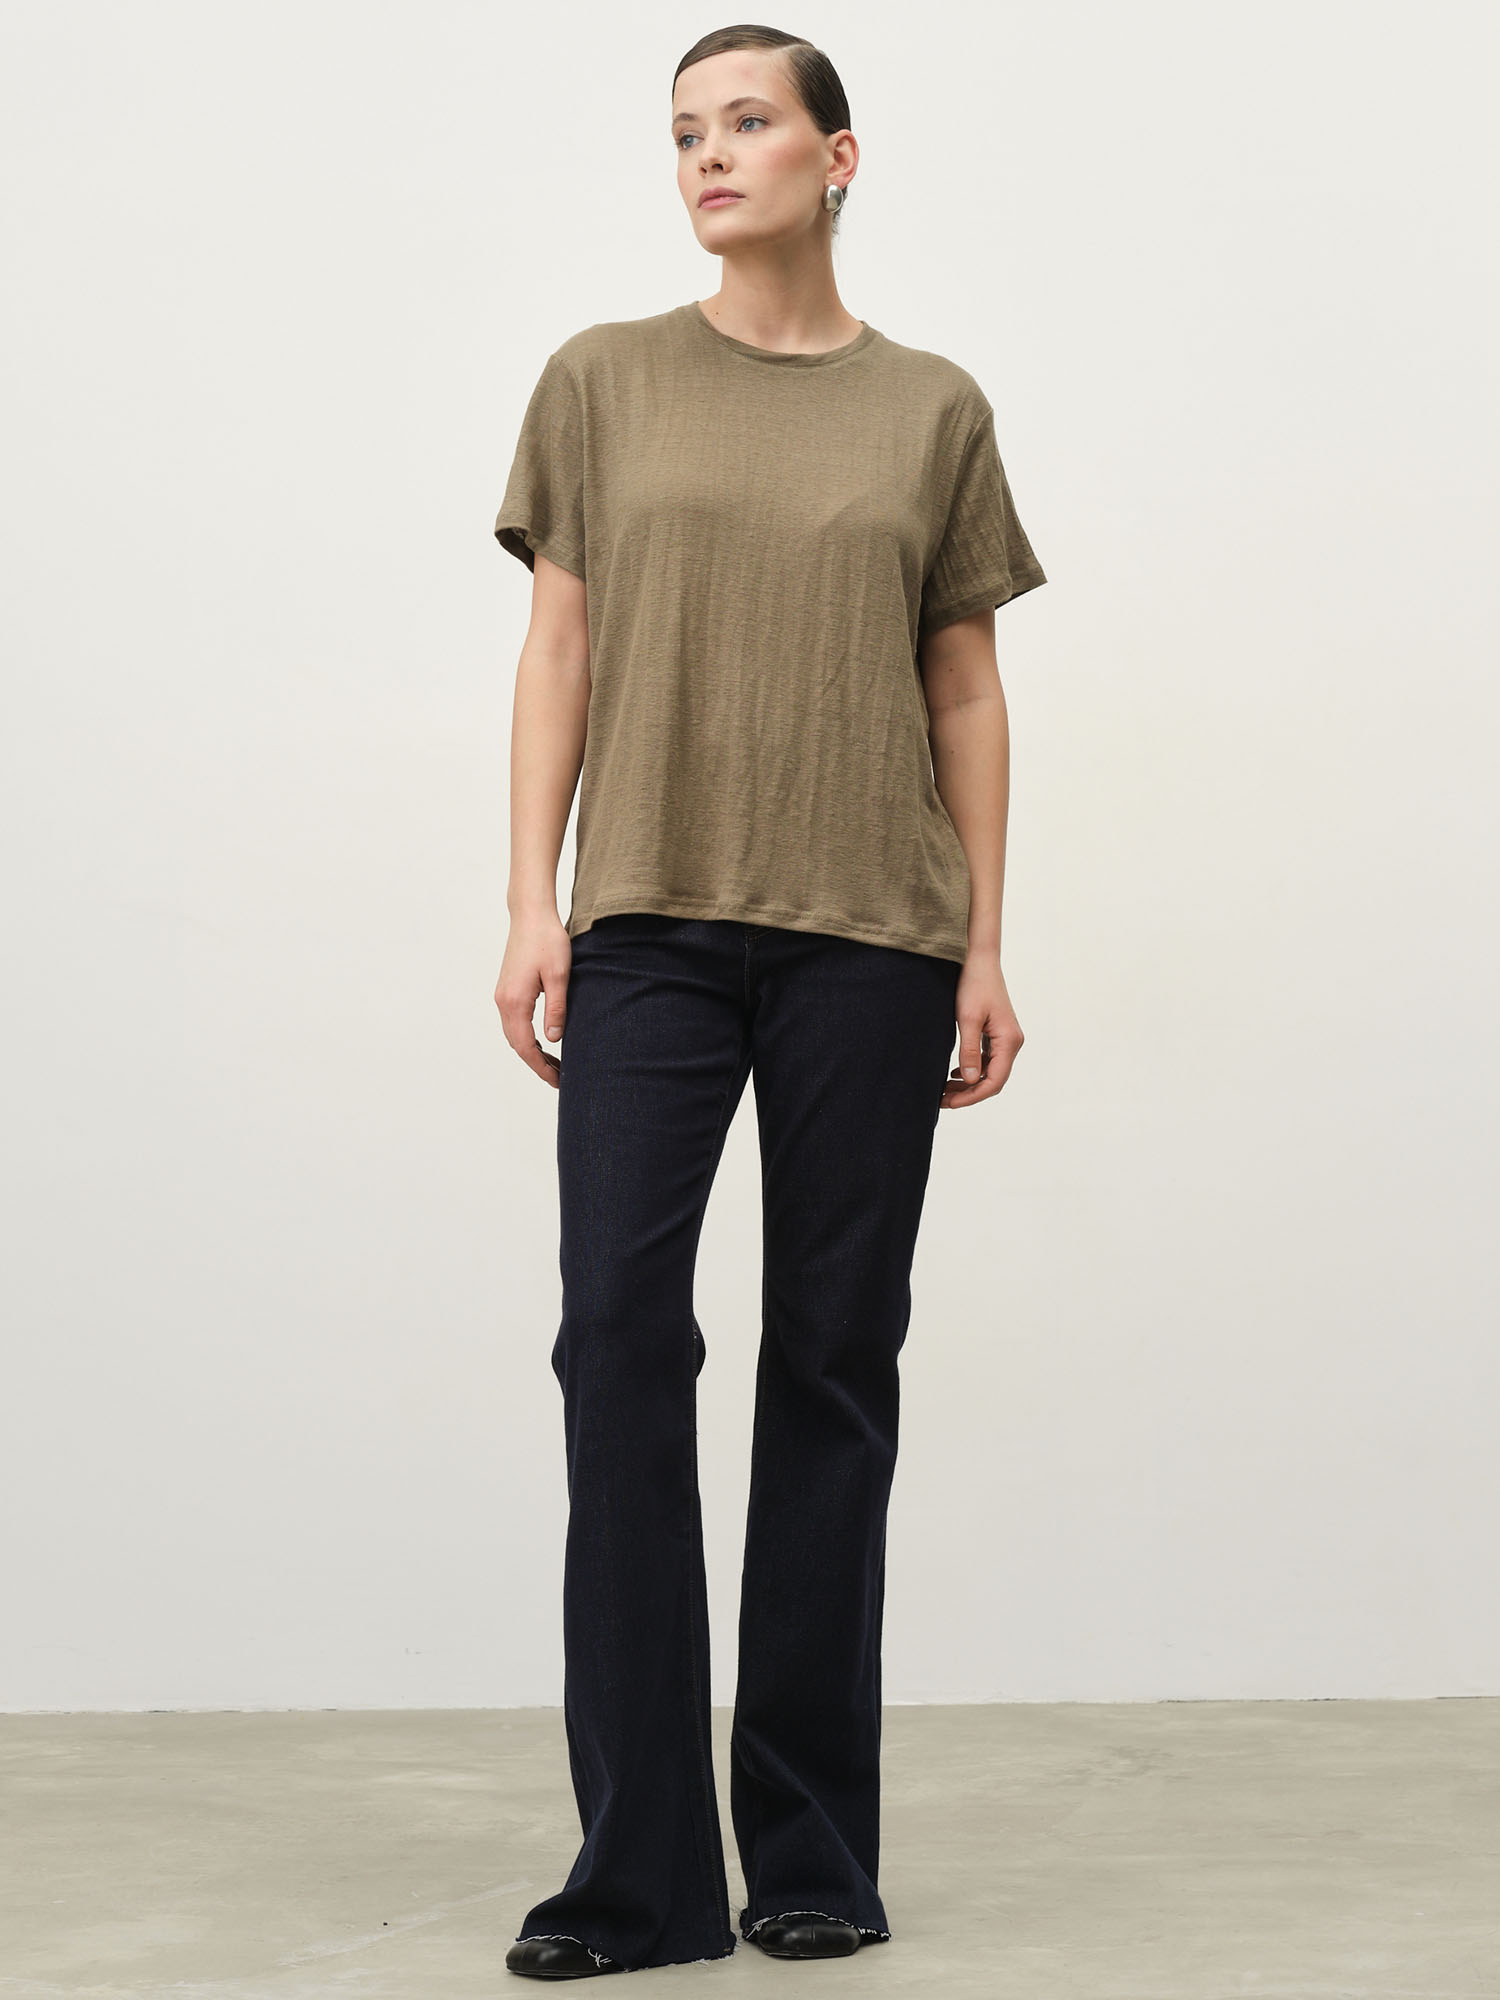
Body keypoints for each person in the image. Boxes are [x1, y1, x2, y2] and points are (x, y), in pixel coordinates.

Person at [491, 23, 1048, 1980]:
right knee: (618, 1344)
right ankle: (640, 1873)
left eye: (745, 123)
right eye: (684, 133)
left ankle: (808, 1853)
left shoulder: (931, 407)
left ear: (839, 155)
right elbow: (558, 647)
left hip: (871, 940)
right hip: (646, 926)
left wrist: (984, 941)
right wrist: (533, 900)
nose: (708, 158)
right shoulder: (603, 379)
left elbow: (965, 685)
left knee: (831, 1366)